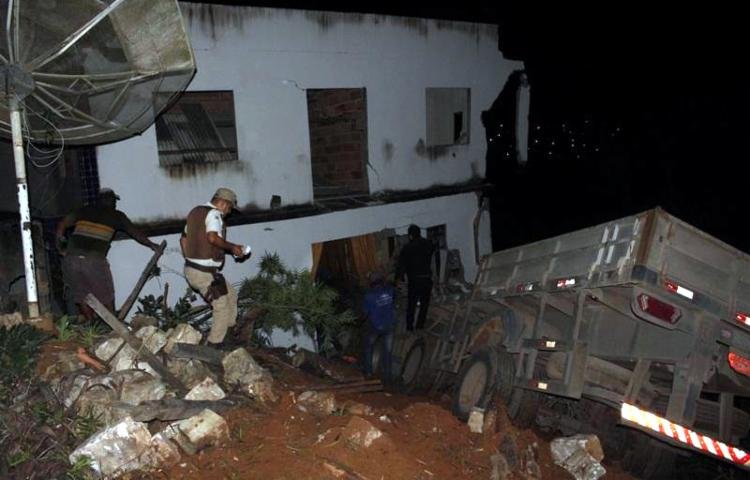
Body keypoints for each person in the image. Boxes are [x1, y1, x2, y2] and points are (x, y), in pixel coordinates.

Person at [56, 188, 160, 322]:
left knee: (81, 294)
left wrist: (61, 247)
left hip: (71, 259)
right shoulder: (117, 216)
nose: (115, 204)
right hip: (93, 260)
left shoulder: (84, 210)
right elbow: (135, 233)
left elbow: (61, 224)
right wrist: (152, 245)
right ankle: (113, 324)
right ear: (111, 201)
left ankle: (91, 324)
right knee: (106, 294)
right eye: (113, 201)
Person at [180, 187, 250, 344]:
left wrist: (190, 259)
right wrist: (233, 248)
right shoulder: (214, 214)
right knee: (221, 305)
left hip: (198, 270)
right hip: (203, 273)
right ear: (224, 203)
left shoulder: (195, 212)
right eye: (230, 208)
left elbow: (183, 239)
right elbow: (212, 238)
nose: (229, 212)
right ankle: (214, 345)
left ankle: (229, 332)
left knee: (231, 294)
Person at [395, 224, 435, 331]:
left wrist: (399, 278)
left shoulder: (407, 248)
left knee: (411, 305)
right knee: (424, 305)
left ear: (411, 236)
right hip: (427, 279)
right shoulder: (428, 244)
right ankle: (420, 326)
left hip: (415, 281)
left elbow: (401, 265)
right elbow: (432, 251)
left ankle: (409, 328)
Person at [362, 272, 396, 383]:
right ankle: (387, 376)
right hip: (389, 326)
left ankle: (368, 372)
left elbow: (365, 313)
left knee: (368, 347)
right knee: (388, 351)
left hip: (376, 327)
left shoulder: (369, 296)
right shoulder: (390, 291)